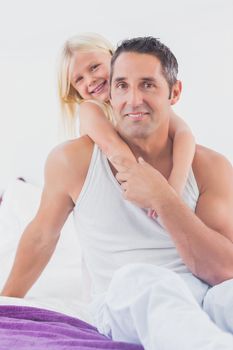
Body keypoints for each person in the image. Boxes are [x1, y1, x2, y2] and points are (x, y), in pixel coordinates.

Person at [2, 36, 233, 350]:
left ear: (174, 92)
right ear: (111, 92)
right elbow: (42, 235)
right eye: (122, 85)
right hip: (129, 294)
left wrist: (163, 196)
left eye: (148, 85)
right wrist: (7, 301)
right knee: (146, 282)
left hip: (204, 291)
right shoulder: (72, 160)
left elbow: (225, 270)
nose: (134, 99)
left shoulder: (210, 165)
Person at [58, 33, 196, 215]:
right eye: (79, 79)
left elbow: (183, 134)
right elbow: (116, 151)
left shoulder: (139, 102)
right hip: (120, 198)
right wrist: (156, 193)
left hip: (150, 187)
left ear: (113, 58)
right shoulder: (89, 109)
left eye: (94, 67)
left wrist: (175, 188)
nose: (90, 80)